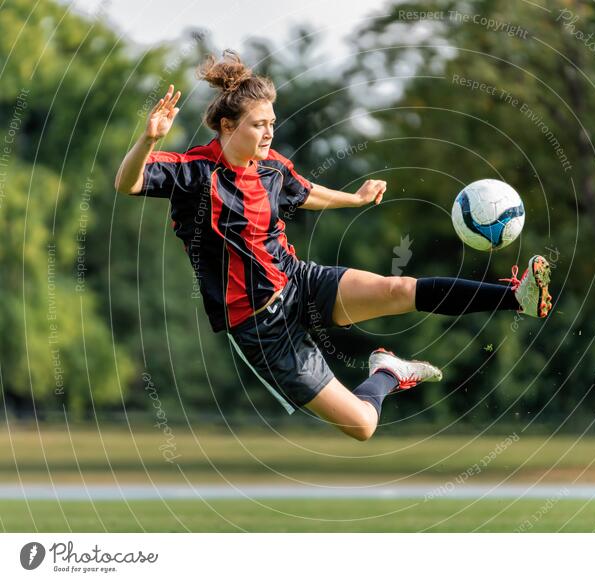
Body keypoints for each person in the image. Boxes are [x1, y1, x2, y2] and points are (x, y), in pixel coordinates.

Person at [115, 50, 552, 441]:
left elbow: (306, 191)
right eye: (258, 125)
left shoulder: (273, 169)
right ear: (228, 126)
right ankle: (386, 373)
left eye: (272, 122)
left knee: (399, 290)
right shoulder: (193, 173)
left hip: (298, 281)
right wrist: (149, 140)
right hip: (261, 328)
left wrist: (355, 198)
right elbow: (128, 182)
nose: (269, 132)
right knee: (363, 425)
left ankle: (516, 297)